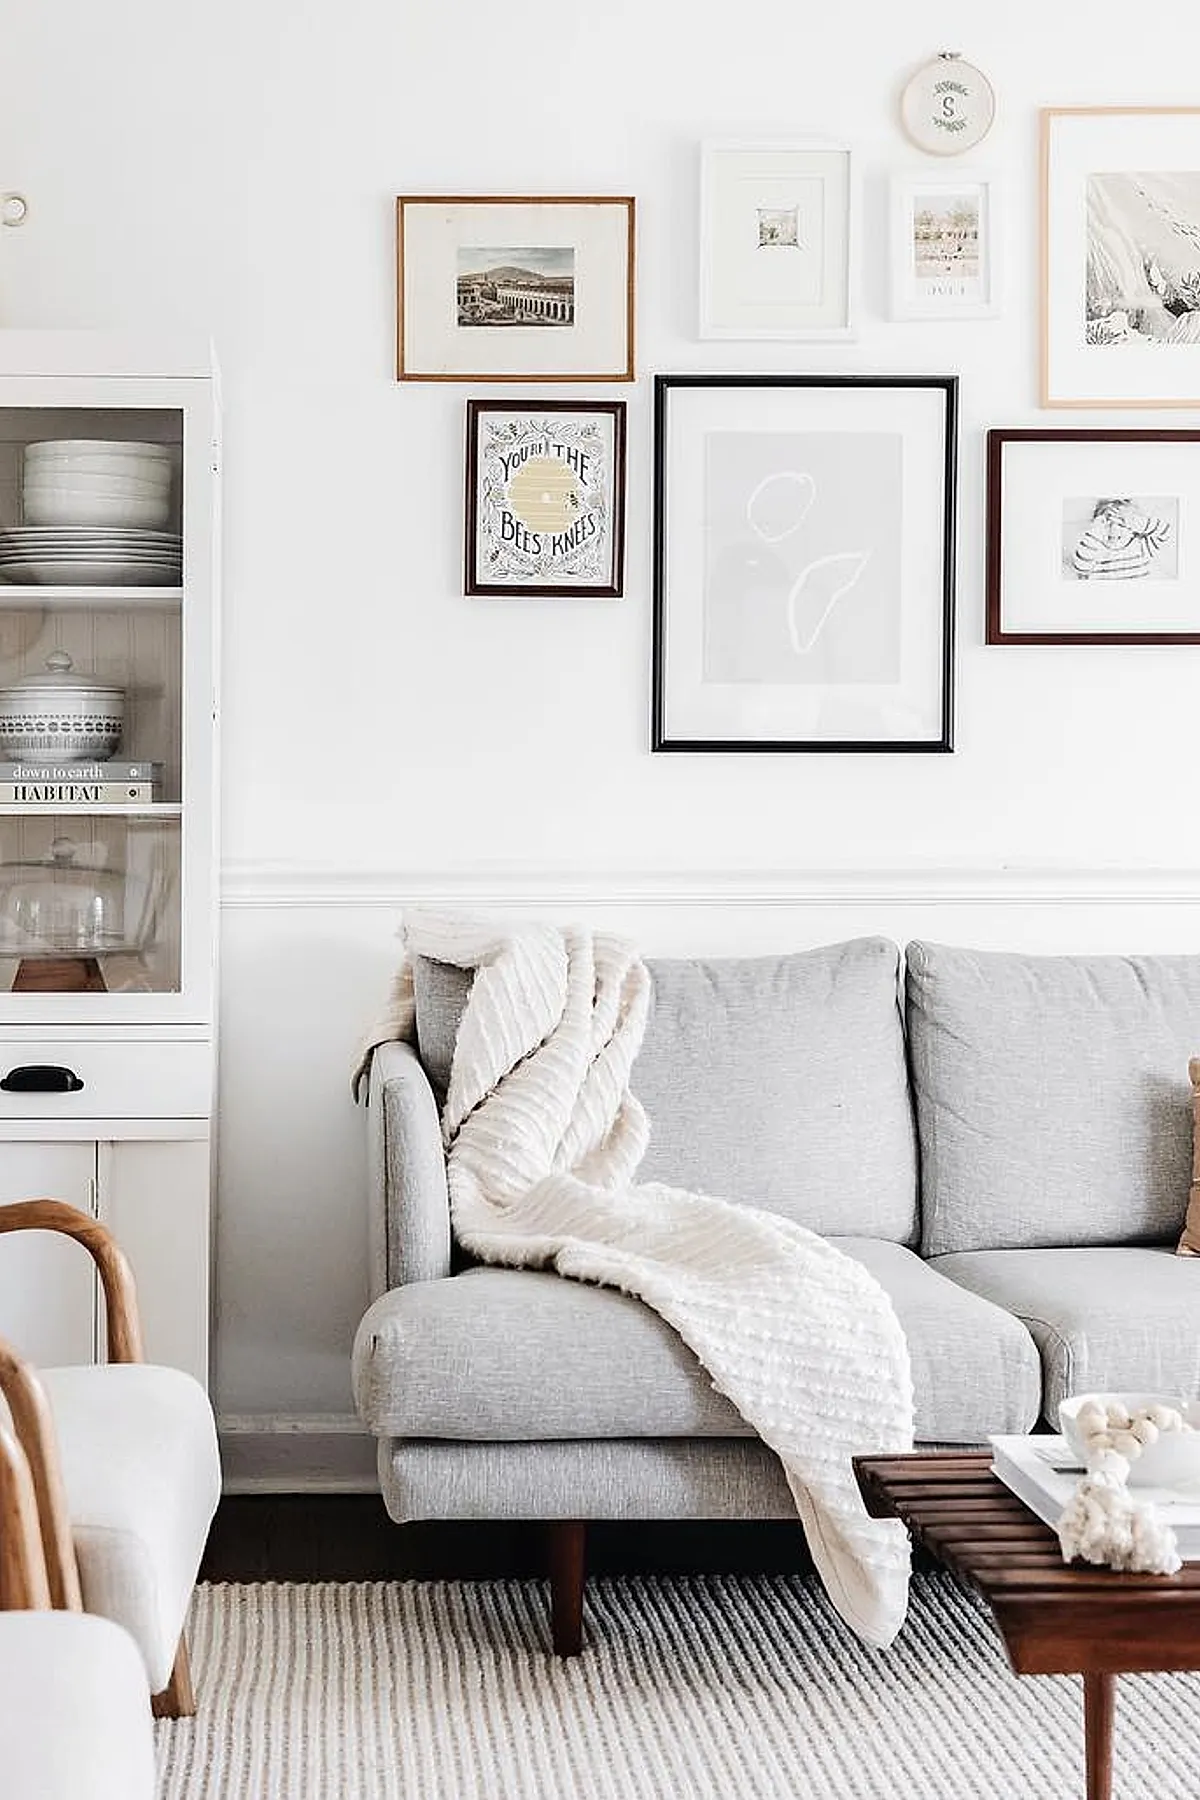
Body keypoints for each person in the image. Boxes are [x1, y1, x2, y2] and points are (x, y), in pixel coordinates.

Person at [1072, 497, 1171, 580]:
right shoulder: (1095, 547)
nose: (1113, 528)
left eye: (1121, 524)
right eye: (1107, 522)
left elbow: (1164, 533)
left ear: (1134, 529)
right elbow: (1081, 569)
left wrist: (1132, 520)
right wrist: (1097, 531)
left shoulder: (1140, 545)